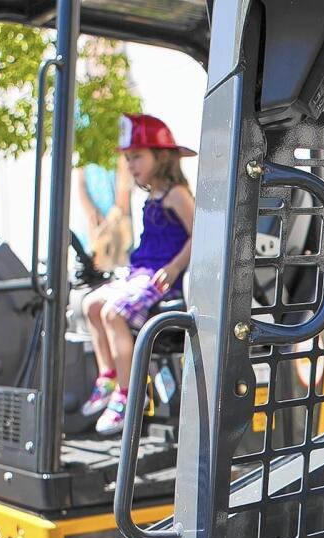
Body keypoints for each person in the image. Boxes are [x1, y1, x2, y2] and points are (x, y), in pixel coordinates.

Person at [80, 114, 195, 435]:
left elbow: (199, 235)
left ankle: (130, 394)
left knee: (113, 312)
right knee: (90, 303)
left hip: (161, 277)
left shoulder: (177, 195)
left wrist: (174, 267)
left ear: (162, 156)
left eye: (137, 157)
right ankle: (108, 377)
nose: (130, 165)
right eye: (128, 159)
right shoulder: (151, 198)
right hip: (139, 272)